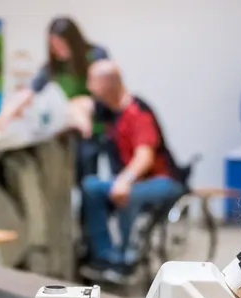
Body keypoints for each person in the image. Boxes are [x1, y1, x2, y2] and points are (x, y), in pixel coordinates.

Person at [74, 60, 186, 280]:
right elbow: (77, 104)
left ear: (107, 85)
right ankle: (104, 254)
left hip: (161, 181)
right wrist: (83, 121)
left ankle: (127, 256)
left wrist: (124, 180)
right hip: (130, 179)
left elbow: (144, 157)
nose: (89, 88)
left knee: (127, 193)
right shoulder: (107, 109)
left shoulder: (137, 112)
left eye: (93, 82)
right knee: (90, 187)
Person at [0, 17, 110, 182]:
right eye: (54, 47)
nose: (58, 51)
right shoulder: (54, 66)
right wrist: (5, 116)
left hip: (98, 125)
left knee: (90, 181)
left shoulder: (96, 55)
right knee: (72, 177)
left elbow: (105, 91)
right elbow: (29, 91)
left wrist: (83, 106)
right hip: (73, 130)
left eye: (61, 45)